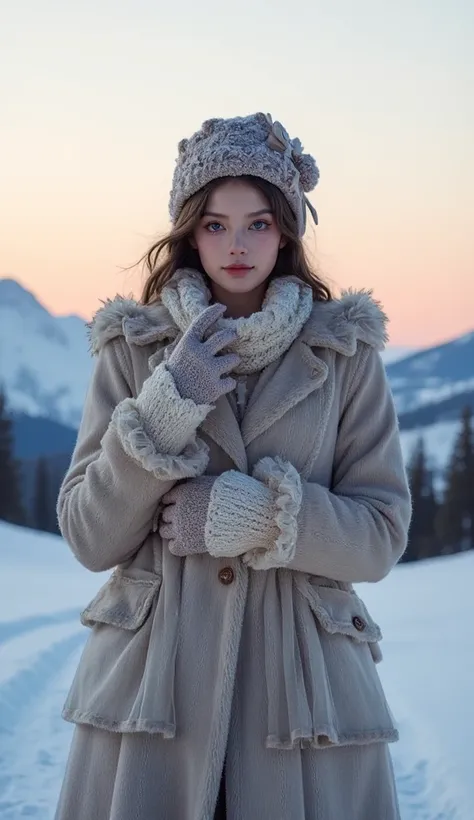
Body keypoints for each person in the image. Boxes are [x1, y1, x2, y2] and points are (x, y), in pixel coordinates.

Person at [54, 112, 411, 820]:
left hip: (298, 701)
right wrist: (166, 406)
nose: (237, 244)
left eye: (257, 223)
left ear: (286, 228)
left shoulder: (344, 355)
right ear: (189, 232)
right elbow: (89, 536)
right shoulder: (135, 349)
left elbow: (380, 533)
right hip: (156, 699)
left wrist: (255, 516)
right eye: (215, 224)